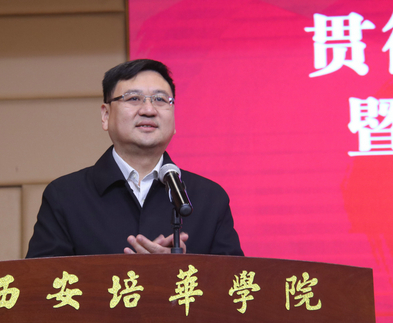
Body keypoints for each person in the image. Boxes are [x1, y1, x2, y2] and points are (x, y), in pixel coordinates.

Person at [26, 59, 243, 257]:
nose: (148, 110)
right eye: (133, 98)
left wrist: (182, 268)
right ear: (106, 115)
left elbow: (237, 283)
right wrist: (129, 273)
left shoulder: (210, 199)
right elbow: (41, 282)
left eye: (160, 99)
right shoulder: (65, 197)